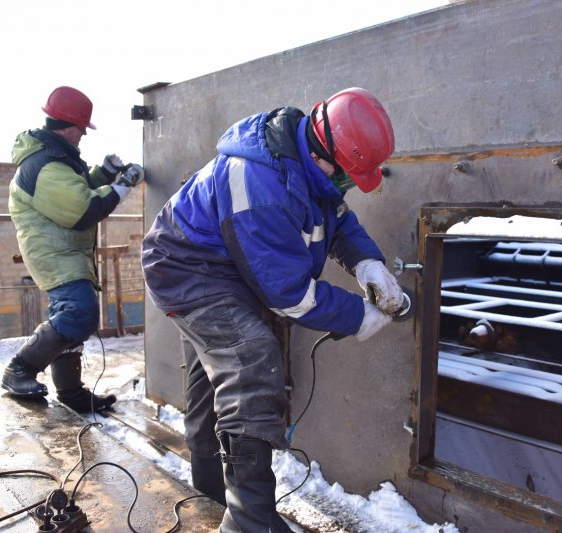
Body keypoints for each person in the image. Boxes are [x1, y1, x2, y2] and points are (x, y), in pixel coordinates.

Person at [141, 87, 403, 531]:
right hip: (188, 272)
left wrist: (367, 263)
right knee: (249, 360)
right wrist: (359, 316)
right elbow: (289, 295)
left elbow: (334, 215)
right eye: (345, 178)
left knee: (212, 374)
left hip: (223, 267)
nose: (345, 188)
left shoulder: (301, 160)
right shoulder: (259, 184)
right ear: (324, 155)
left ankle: (208, 483)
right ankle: (248, 522)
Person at [1, 86, 145, 413]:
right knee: (78, 313)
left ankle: (71, 394)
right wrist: (122, 185)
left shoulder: (56, 159)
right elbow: (83, 211)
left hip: (65, 253)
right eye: (82, 128)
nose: (83, 134)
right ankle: (18, 371)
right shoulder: (43, 165)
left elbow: (76, 189)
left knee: (69, 320)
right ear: (68, 126)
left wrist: (105, 172)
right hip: (55, 255)